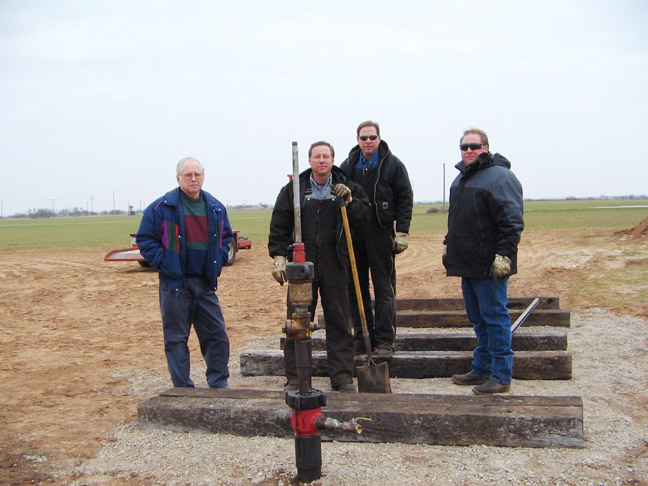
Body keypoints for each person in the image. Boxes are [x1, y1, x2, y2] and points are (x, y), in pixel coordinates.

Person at [268, 141, 370, 393]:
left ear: (333, 160)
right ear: (310, 160)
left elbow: (364, 219)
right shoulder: (293, 190)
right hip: (302, 267)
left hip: (336, 263)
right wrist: (279, 256)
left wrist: (351, 201)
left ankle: (342, 376)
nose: (321, 160)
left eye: (326, 156)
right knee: (297, 320)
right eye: (317, 156)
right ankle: (295, 376)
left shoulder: (348, 189)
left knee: (339, 320)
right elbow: (279, 225)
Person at [136, 157, 232, 389]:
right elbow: (145, 239)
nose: (193, 179)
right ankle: (182, 388)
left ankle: (219, 383)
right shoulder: (162, 207)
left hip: (205, 283)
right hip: (175, 285)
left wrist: (218, 262)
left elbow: (225, 237)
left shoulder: (216, 207)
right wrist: (165, 263)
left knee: (216, 335)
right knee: (177, 339)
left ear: (203, 177)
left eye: (197, 174)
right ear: (178, 178)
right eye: (188, 175)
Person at [443, 128, 524, 394]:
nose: (468, 151)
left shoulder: (500, 177)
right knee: (478, 318)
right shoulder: (461, 179)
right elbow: (458, 221)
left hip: (490, 264)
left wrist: (504, 255)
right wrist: (450, 248)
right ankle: (481, 368)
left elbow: (511, 222)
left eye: (474, 146)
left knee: (495, 317)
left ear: (486, 148)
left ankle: (501, 375)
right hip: (468, 261)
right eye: (464, 147)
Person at [339, 121, 413, 358]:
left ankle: (384, 341)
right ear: (357, 140)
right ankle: (362, 339)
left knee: (384, 288)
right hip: (354, 233)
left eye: (372, 137)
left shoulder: (393, 165)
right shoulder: (347, 166)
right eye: (363, 138)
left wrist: (402, 232)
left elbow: (405, 199)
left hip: (381, 231)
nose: (368, 142)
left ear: (379, 139)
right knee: (355, 289)